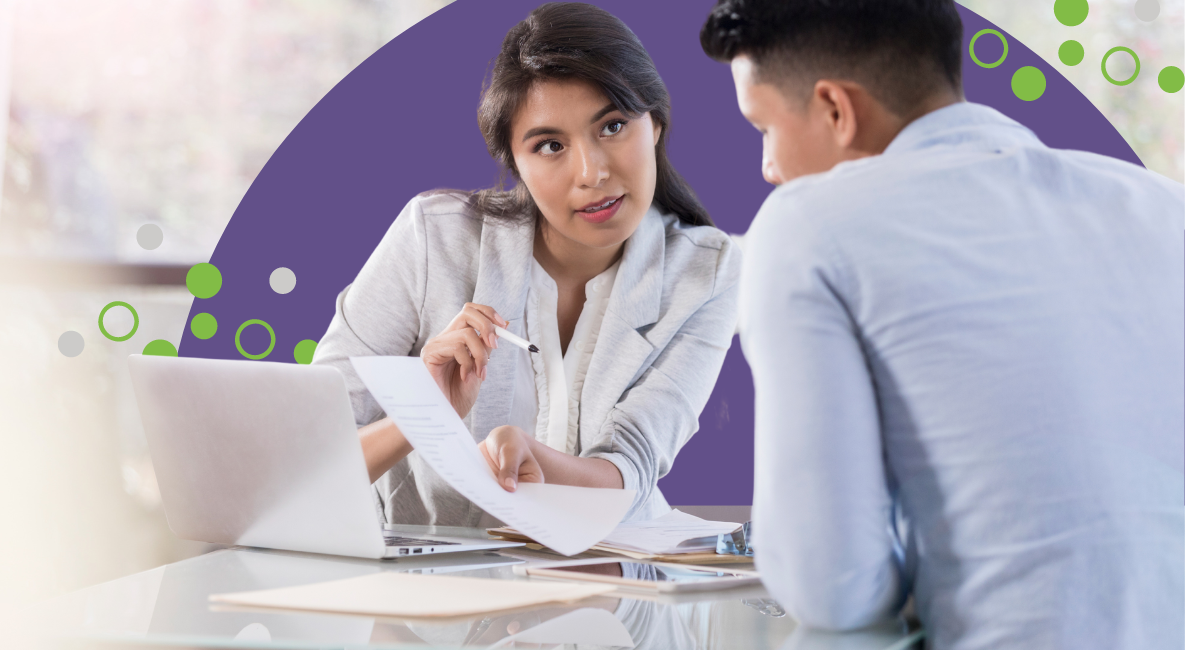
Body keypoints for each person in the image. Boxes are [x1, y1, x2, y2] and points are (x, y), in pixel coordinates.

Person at [699, 0, 1184, 648]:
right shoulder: (1160, 206)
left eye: (763, 127)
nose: (768, 167)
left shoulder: (805, 226)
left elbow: (834, 588)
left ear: (836, 109)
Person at [313, 2, 740, 527]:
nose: (591, 173)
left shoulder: (708, 271)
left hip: (614, 585)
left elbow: (634, 463)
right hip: (431, 594)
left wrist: (538, 459)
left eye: (612, 126)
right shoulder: (433, 237)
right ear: (516, 163)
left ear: (654, 123)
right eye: (550, 145)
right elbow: (308, 460)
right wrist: (423, 414)